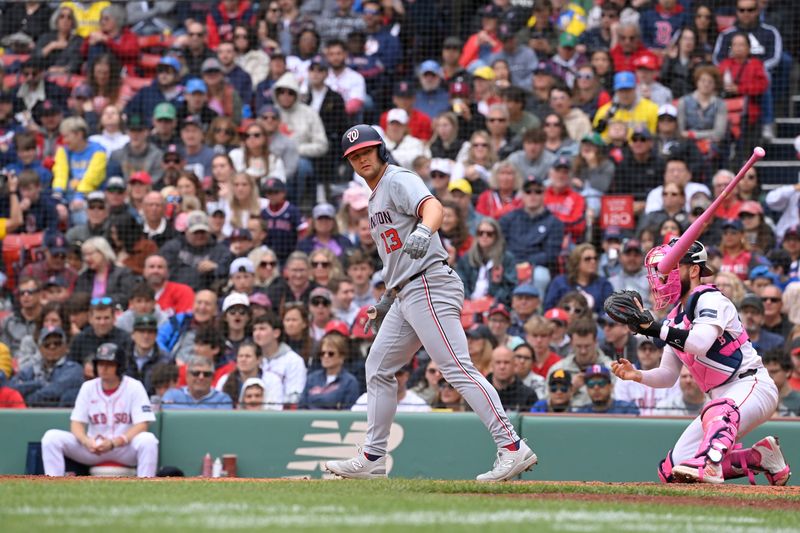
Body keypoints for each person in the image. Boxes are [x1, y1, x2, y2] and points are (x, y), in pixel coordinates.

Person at [326, 125, 537, 482]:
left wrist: (425, 231)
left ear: (380, 151)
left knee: (456, 368)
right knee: (377, 366)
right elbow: (396, 259)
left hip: (429, 284)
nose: (361, 158)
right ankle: (374, 458)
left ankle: (513, 447)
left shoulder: (396, 179)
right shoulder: (375, 197)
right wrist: (384, 299)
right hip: (406, 292)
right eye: (353, 156)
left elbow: (433, 207)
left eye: (366, 151)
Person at [610, 239, 791, 485]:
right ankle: (760, 456)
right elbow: (667, 376)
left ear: (694, 270)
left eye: (672, 268)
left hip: (752, 385)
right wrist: (638, 375)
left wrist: (654, 328)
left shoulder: (711, 299)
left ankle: (711, 464)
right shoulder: (674, 319)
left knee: (718, 413)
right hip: (720, 401)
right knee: (673, 471)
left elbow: (699, 343)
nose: (664, 277)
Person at [41, 343, 159, 477]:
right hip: (93, 448)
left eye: (109, 364)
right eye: (100, 364)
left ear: (119, 366)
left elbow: (143, 425)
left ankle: (146, 482)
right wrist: (86, 441)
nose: (104, 368)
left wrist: (115, 442)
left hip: (123, 448)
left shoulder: (134, 386)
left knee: (148, 440)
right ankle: (54, 482)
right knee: (51, 437)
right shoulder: (88, 387)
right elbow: (76, 423)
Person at [547, 317, 614, 408]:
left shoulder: (611, 369)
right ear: (571, 343)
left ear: (595, 342)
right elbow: (545, 405)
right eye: (578, 346)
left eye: (587, 346)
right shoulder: (558, 369)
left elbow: (617, 403)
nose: (583, 351)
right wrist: (571, 389)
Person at [9, 326, 83, 407]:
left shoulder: (74, 368)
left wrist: (28, 398)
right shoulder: (30, 369)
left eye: (57, 343)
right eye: (47, 344)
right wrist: (39, 384)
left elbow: (55, 390)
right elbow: (12, 388)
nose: (52, 347)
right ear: (40, 348)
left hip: (58, 416)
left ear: (65, 347)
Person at [253, 312, 307, 405]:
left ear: (276, 333)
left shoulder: (293, 360)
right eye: (255, 329)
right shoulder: (252, 359)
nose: (257, 333)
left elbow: (295, 396)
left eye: (262, 329)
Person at [300, 333, 360, 410]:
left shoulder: (350, 382)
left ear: (342, 356)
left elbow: (348, 412)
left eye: (330, 353)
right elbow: (301, 406)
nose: (325, 356)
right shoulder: (312, 378)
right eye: (322, 353)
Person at [161, 355, 234, 410]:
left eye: (206, 374)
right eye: (196, 373)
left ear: (212, 377)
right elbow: (165, 412)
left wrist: (178, 408)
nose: (201, 377)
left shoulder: (222, 399)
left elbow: (222, 422)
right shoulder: (172, 394)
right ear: (187, 376)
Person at [574, 365, 640, 415]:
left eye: (601, 383)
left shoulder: (627, 409)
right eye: (591, 384)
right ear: (587, 389)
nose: (596, 388)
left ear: (610, 386)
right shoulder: (581, 414)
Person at [1, 277, 43, 354]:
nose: (25, 296)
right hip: (13, 362)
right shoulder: (8, 321)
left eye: (30, 292)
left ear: (40, 294)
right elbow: (4, 350)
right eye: (22, 293)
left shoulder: (47, 319)